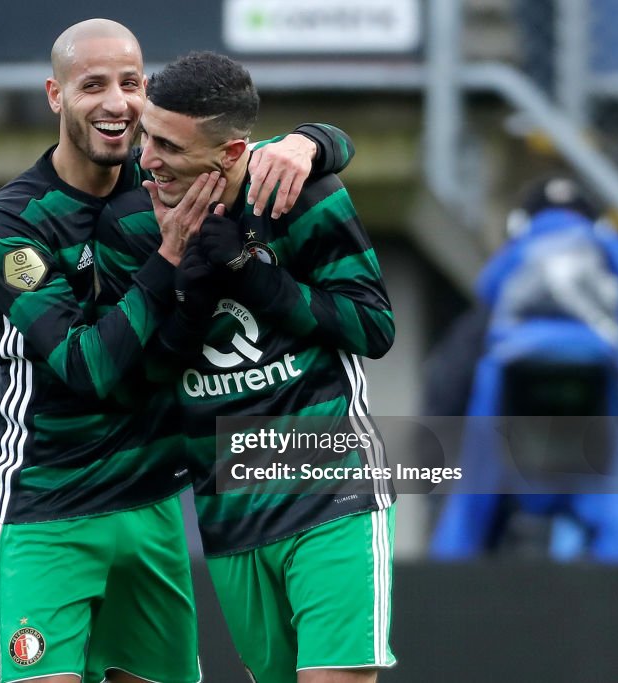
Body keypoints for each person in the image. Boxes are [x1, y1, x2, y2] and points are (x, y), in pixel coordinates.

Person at [0, 19, 357, 683]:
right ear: (55, 96)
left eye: (130, 83)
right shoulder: (10, 222)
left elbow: (267, 150)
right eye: (92, 85)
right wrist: (170, 255)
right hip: (47, 501)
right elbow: (85, 366)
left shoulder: (168, 171)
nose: (116, 102)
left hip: (151, 501)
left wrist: (308, 143)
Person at [96, 52, 396, 682]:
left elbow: (373, 326)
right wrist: (183, 289)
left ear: (232, 154)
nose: (146, 157)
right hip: (228, 502)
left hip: (330, 485)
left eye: (168, 146)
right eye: (147, 134)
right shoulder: (128, 225)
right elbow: (140, 377)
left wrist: (257, 277)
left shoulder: (300, 194)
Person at [426, 176, 618, 562]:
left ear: (520, 222)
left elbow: (453, 372)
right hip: (597, 383)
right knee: (616, 505)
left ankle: (444, 595)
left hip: (512, 381)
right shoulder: (610, 251)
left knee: (473, 500)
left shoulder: (516, 254)